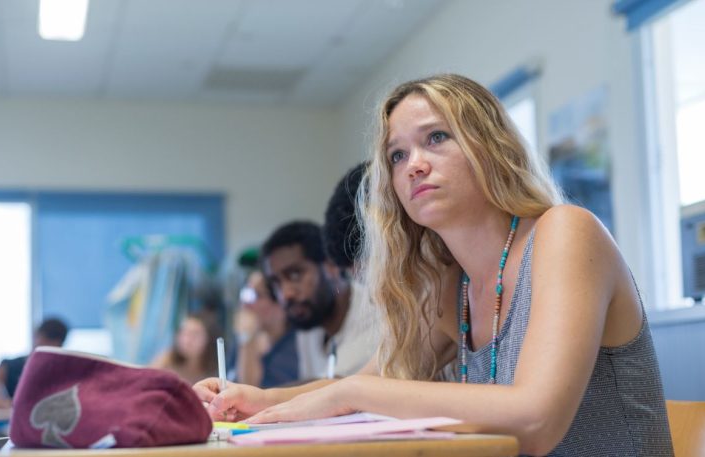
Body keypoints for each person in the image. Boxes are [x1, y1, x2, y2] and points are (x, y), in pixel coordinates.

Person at [195, 74, 673, 456]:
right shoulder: (453, 287)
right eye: (397, 155)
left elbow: (537, 420)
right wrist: (262, 399)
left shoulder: (566, 232)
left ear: (490, 145)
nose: (413, 165)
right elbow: (376, 380)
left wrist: (351, 394)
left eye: (436, 138)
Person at [262, 221, 378, 379]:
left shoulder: (374, 311)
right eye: (276, 283)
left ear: (332, 266)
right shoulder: (310, 319)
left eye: (295, 275)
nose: (286, 294)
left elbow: (335, 387)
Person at [0, 317, 68, 409]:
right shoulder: (9, 366)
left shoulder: (61, 371)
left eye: (51, 345)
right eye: (44, 342)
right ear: (36, 336)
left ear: (60, 345)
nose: (46, 348)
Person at [231, 270, 300, 387]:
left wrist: (247, 340)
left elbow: (249, 389)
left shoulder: (295, 348)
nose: (246, 303)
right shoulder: (244, 338)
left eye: (257, 295)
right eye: (247, 293)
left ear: (280, 302)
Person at [150, 309, 221, 385]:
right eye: (183, 333)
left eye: (194, 335)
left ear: (209, 339)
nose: (186, 340)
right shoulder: (166, 360)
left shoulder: (214, 375)